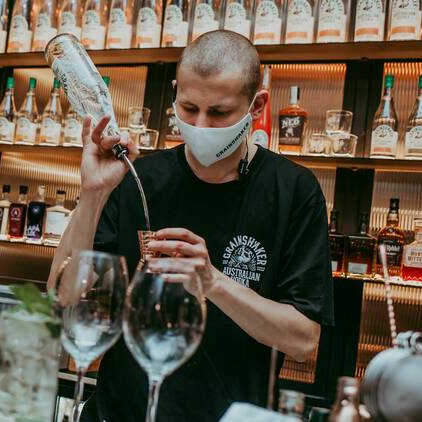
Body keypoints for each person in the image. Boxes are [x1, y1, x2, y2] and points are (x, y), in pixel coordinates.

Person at [49, 30, 333, 421]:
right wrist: (93, 193)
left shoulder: (294, 191)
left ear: (256, 105)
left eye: (219, 112)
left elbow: (304, 340)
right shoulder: (135, 177)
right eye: (188, 108)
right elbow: (63, 296)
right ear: (174, 93)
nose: (200, 124)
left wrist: (213, 282)